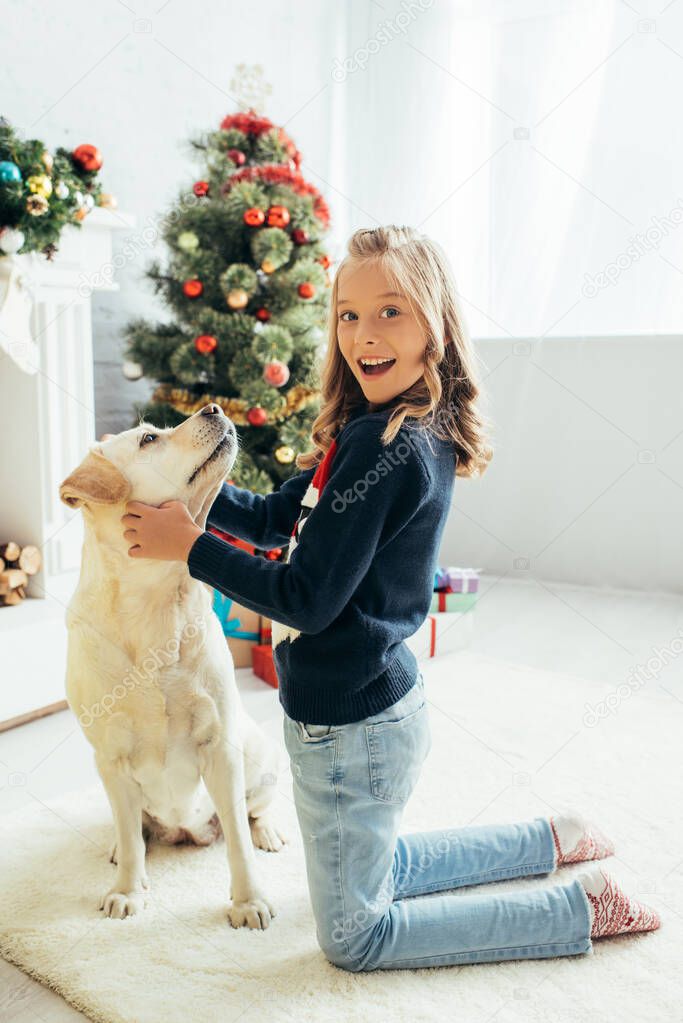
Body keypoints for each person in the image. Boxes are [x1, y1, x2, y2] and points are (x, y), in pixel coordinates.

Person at [120, 225, 660, 971]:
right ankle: (552, 839)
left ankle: (577, 902)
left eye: (390, 312)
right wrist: (191, 503)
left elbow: (304, 599)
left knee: (353, 935)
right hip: (365, 712)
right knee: (376, 869)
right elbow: (284, 514)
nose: (363, 335)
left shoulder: (388, 446)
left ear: (435, 322)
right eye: (348, 314)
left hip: (351, 728)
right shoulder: (377, 428)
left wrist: (191, 546)